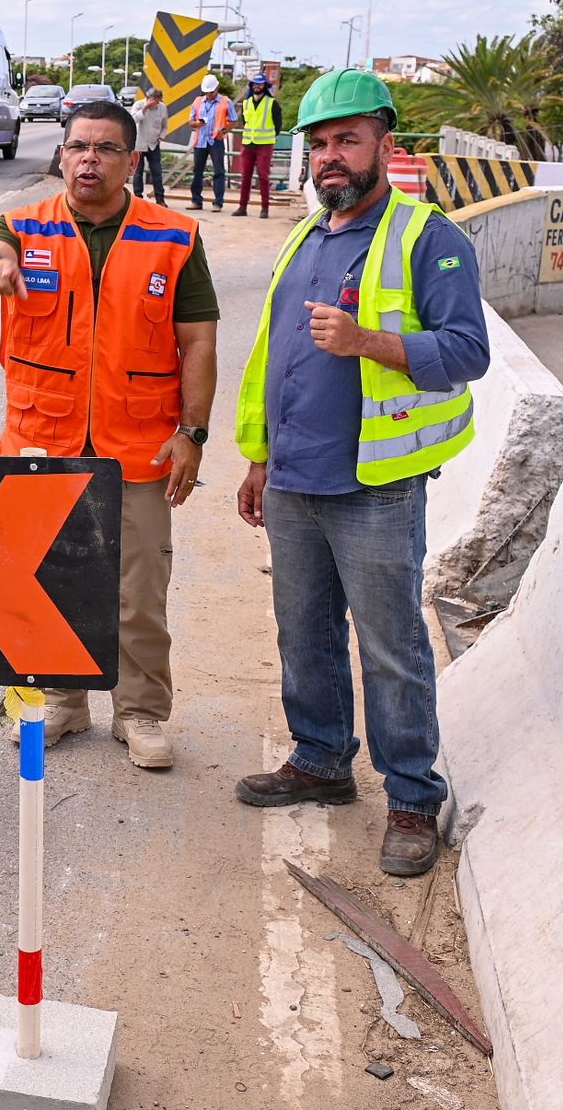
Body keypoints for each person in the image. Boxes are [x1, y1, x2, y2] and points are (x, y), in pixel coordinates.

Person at [233, 69, 490, 877]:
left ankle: (413, 797)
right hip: (293, 480)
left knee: (392, 647)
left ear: (386, 143)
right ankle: (320, 760)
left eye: (346, 140)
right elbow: (274, 361)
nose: (330, 158)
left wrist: (369, 342)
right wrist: (258, 458)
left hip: (376, 485)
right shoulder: (307, 238)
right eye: (318, 145)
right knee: (302, 633)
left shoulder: (427, 237)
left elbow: (467, 353)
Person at [0, 101, 220, 770]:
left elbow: (198, 343)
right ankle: (61, 702)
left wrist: (192, 432)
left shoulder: (175, 237)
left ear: (131, 161)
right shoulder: (24, 225)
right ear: (62, 155)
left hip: (138, 448)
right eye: (77, 146)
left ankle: (139, 712)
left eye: (105, 149)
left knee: (138, 593)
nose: (88, 159)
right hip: (41, 445)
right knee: (48, 582)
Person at [234, 74, 284, 218]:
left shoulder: (272, 103)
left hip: (265, 145)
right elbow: (245, 122)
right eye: (255, 84)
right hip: (248, 144)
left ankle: (264, 208)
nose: (257, 86)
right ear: (251, 86)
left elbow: (278, 123)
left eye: (260, 84)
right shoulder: (246, 103)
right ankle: (242, 207)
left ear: (264, 86)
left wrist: (271, 137)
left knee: (263, 177)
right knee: (245, 177)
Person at [187, 75, 235, 213]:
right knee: (197, 172)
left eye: (211, 92)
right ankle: (196, 200)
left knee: (219, 171)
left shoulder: (226, 102)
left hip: (216, 140)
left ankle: (218, 203)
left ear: (217, 89)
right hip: (200, 141)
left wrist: (224, 131)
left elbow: (233, 120)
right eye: (207, 92)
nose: (209, 95)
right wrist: (196, 124)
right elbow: (190, 121)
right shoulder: (197, 102)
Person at [130, 87, 168, 206]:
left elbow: (165, 125)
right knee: (138, 172)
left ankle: (160, 198)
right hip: (139, 144)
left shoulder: (162, 108)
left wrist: (161, 137)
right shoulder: (138, 105)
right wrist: (145, 108)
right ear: (148, 98)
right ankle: (138, 198)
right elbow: (133, 120)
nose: (155, 104)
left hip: (153, 144)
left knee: (157, 172)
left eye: (158, 101)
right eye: (153, 101)